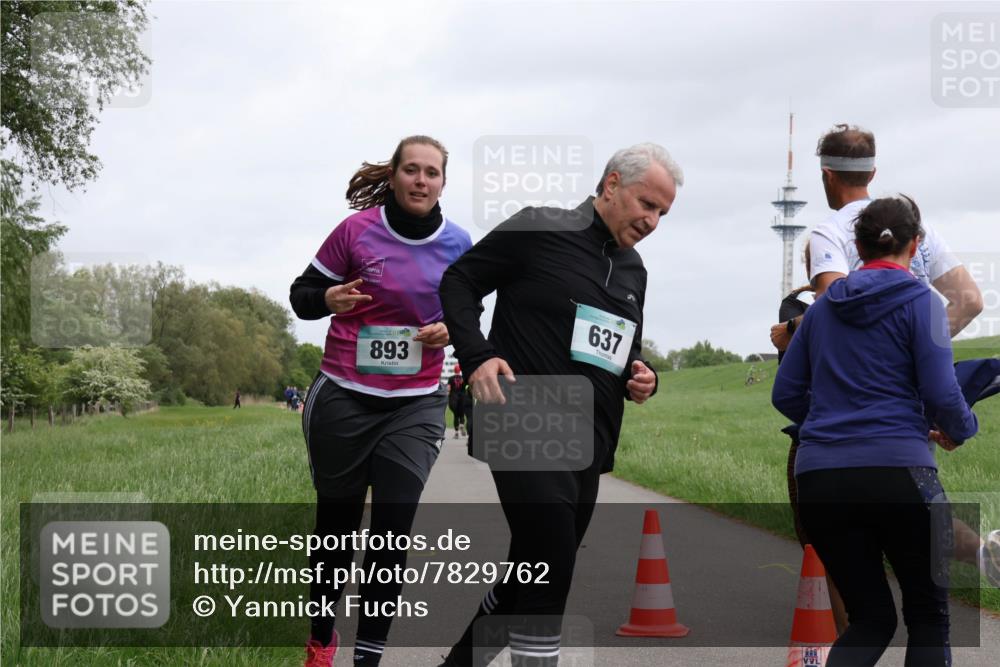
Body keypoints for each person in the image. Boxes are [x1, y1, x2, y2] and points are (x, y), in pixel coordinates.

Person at [437, 143, 679, 667]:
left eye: (663, 212)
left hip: (589, 438)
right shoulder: (539, 228)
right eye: (646, 203)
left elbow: (624, 352)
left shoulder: (634, 270)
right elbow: (459, 280)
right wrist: (478, 354)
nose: (653, 220)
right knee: (550, 570)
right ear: (611, 185)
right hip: (521, 415)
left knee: (530, 570)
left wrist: (643, 377)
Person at [769, 123, 989, 630]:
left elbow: (833, 305)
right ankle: (981, 556)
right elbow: (971, 300)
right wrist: (919, 352)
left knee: (863, 590)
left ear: (826, 174)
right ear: (873, 170)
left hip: (838, 430)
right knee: (923, 586)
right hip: (906, 425)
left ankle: (849, 633)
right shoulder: (918, 228)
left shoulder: (829, 232)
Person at [288, 135, 471, 667]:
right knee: (336, 531)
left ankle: (368, 656)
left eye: (431, 172)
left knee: (392, 532)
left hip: (414, 404)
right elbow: (301, 297)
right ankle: (321, 642)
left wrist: (448, 330)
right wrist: (328, 298)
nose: (421, 180)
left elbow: (468, 316)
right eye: (411, 170)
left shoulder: (459, 244)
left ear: (442, 182)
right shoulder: (356, 232)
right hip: (344, 395)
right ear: (392, 177)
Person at [447, 364, 466, 437]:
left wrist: (447, 394)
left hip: (453, 399)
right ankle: (461, 424)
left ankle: (456, 432)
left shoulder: (451, 378)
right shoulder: (463, 378)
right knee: (461, 415)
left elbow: (448, 388)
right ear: (460, 370)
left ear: (454, 370)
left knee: (456, 415)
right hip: (462, 398)